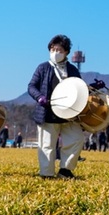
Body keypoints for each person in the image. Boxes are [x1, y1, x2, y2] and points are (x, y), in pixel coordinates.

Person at [27, 34, 85, 179]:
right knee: (46, 145)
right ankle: (46, 174)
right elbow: (31, 86)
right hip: (47, 113)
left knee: (76, 139)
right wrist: (40, 97)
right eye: (52, 49)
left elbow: (80, 89)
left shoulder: (72, 70)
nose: (55, 52)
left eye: (59, 50)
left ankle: (65, 170)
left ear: (66, 52)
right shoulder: (43, 67)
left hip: (69, 114)